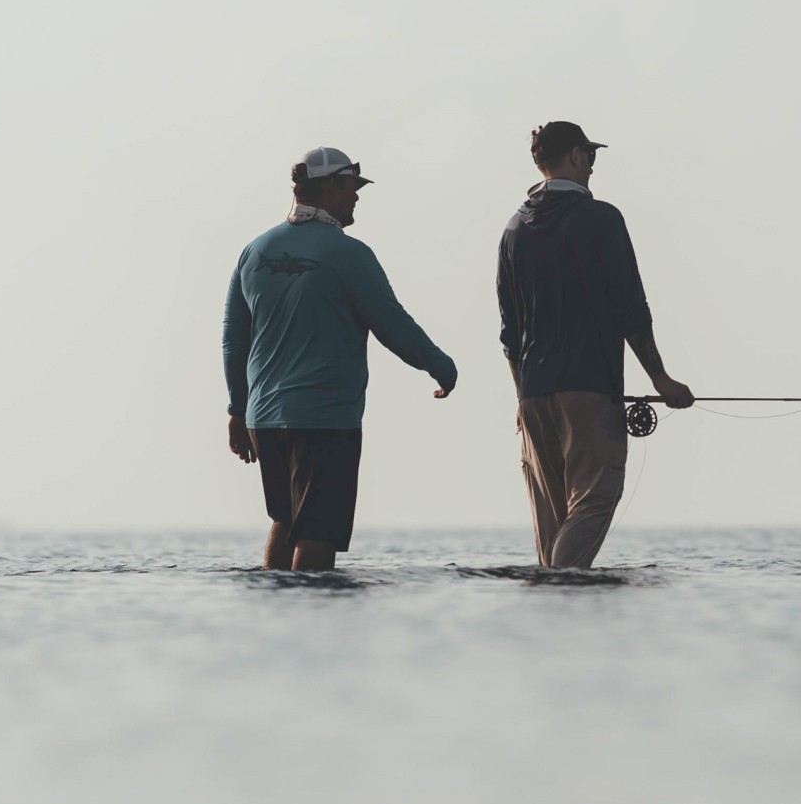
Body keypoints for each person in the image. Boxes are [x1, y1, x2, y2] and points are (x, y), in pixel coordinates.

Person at [222, 146, 457, 571]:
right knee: (317, 532)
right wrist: (440, 365)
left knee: (285, 519)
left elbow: (233, 341)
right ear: (329, 186)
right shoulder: (348, 254)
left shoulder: (254, 252)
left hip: (264, 420)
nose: (357, 197)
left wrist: (237, 410)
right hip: (325, 418)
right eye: (351, 187)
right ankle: (314, 629)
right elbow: (392, 324)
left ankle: (274, 617)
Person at [496, 122, 694, 568]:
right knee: (595, 496)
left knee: (551, 513)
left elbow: (509, 330)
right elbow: (630, 307)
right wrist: (660, 379)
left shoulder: (514, 228)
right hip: (588, 386)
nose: (592, 165)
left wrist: (520, 395)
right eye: (590, 155)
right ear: (576, 157)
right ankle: (565, 589)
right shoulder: (602, 218)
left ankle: (554, 615)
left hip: (532, 393)